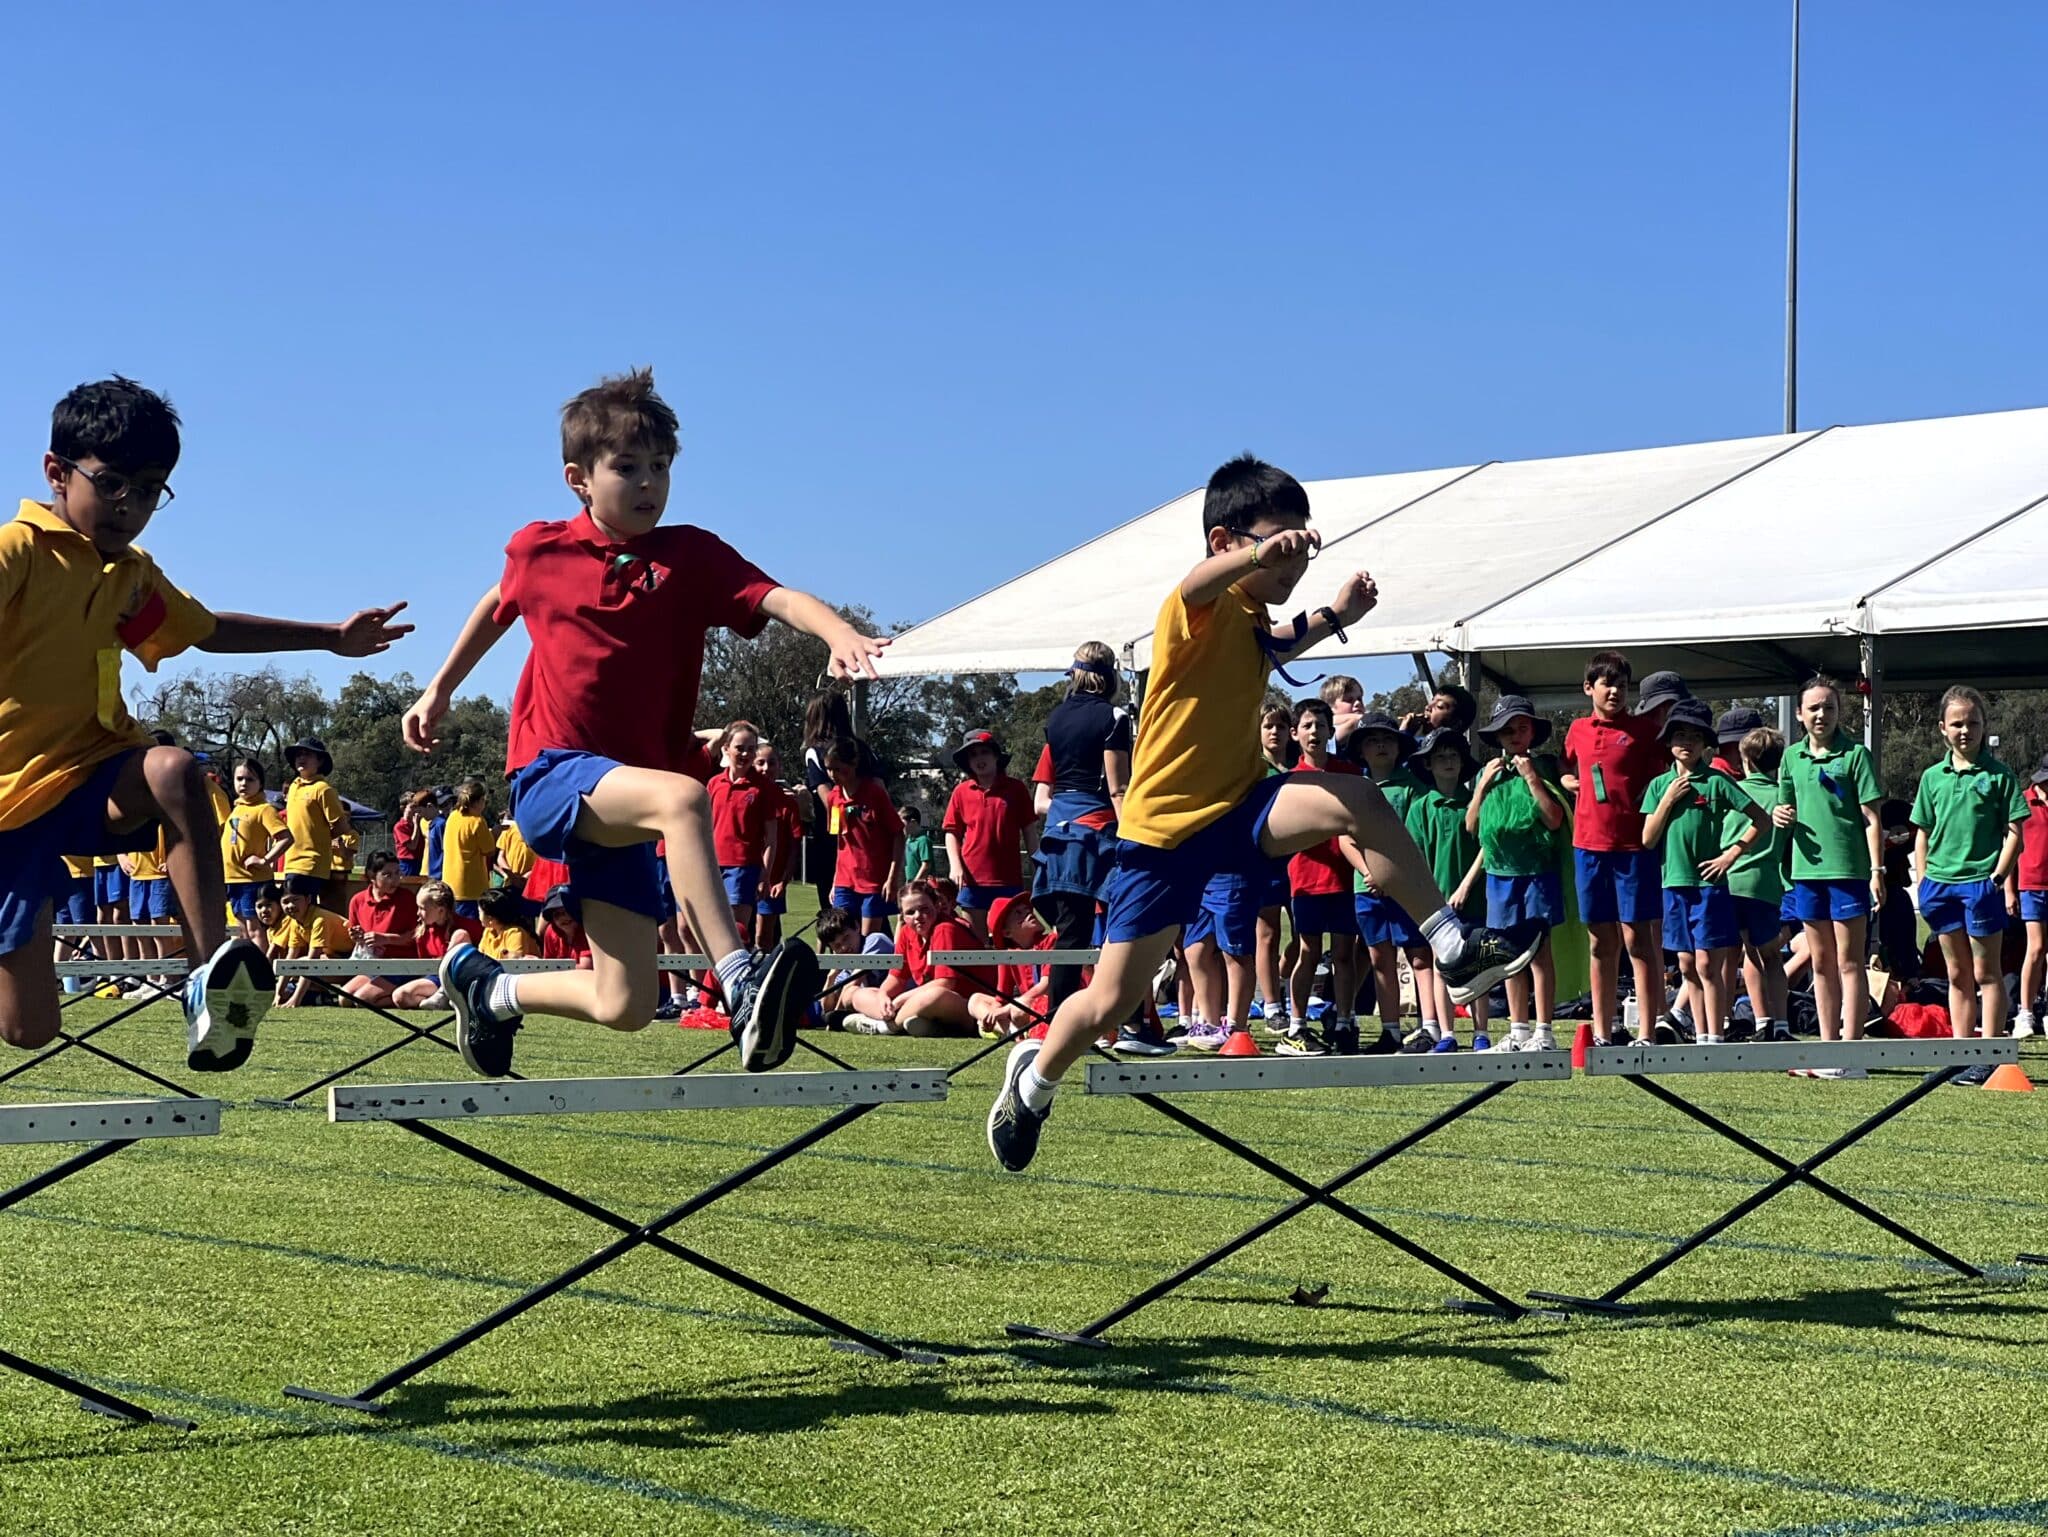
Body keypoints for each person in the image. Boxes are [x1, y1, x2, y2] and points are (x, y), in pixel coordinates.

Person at [985, 455, 1537, 1171]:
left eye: (1304, 545)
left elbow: (1278, 642)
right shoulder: (1190, 610)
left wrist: (1339, 612)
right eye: (1284, 545)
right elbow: (1193, 581)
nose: (1295, 561)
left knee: (1359, 799)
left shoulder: (1248, 614)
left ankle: (1452, 946)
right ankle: (1032, 1082)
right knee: (1108, 1004)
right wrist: (1254, 554)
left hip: (1242, 805)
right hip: (1163, 837)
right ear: (1226, 542)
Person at [404, 369, 884, 1074]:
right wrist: (438, 688)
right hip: (551, 774)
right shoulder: (541, 549)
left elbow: (777, 596)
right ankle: (742, 983)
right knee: (684, 795)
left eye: (660, 467)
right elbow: (499, 602)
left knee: (624, 1000)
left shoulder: (690, 555)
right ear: (578, 478)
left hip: (625, 800)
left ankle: (487, 987)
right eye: (626, 467)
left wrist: (838, 632)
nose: (648, 483)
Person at [0, 376, 408, 1066]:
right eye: (113, 484)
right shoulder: (18, 553)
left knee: (173, 769)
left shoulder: (130, 575)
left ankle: (208, 982)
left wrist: (329, 636)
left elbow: (209, 629)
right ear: (55, 472)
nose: (129, 506)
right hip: (9, 805)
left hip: (91, 775)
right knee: (29, 1029)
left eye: (150, 490)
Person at [1560, 655, 1684, 1046]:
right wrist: (1567, 780)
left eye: (1622, 686)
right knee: (1601, 940)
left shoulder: (1645, 731)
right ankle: (1602, 1029)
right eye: (1606, 684)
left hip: (1633, 848)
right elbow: (1566, 768)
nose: (1614, 691)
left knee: (1638, 940)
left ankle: (1647, 1031)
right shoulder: (1577, 730)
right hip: (1588, 849)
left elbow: (1671, 772)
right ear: (1588, 688)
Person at [1910, 685, 2027, 1085]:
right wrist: (1923, 880)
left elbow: (2016, 833)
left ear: (1983, 726)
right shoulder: (1932, 777)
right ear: (1943, 728)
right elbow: (1922, 832)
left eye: (1973, 723)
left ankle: (1990, 1055)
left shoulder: (1999, 775)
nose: (1965, 730)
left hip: (1980, 885)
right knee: (1956, 973)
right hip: (1940, 888)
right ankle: (1960, 1055)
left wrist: (1997, 877)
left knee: (1986, 973)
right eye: (1957, 723)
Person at [1639, 699, 1770, 1046]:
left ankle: (1714, 1035)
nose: (1686, 742)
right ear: (1668, 741)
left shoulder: (1716, 781)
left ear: (1705, 743)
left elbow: (1762, 820)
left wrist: (1731, 855)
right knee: (1685, 965)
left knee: (1708, 964)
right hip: (1673, 885)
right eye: (1679, 734)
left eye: (1695, 736)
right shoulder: (1659, 785)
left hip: (1709, 887)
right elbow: (1648, 839)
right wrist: (1668, 799)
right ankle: (1700, 1036)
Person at [1773, 674, 1884, 1076]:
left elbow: (1873, 818)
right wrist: (1778, 814)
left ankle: (1850, 1055)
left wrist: (1877, 870)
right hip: (1806, 873)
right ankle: (1827, 1049)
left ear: (1839, 712)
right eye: (1814, 708)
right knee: (1820, 963)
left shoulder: (1856, 756)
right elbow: (1784, 810)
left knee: (1850, 962)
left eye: (1829, 707)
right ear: (1800, 715)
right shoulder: (1791, 759)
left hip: (1850, 872)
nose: (1822, 714)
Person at [1029, 640, 1135, 1039]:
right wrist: (1131, 840)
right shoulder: (1114, 716)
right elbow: (1118, 786)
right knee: (1120, 929)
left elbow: (1052, 786)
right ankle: (1126, 1022)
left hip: (1058, 833)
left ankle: (1056, 1023)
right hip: (1098, 833)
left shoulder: (1055, 718)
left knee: (1070, 934)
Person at [1469, 696, 1569, 1053]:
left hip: (1538, 874)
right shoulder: (1487, 772)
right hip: (1499, 876)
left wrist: (1531, 779)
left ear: (1532, 731)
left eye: (1521, 727)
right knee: (1510, 957)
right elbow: (1472, 825)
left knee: (1540, 954)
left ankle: (1544, 1030)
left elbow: (1554, 819)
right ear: (1497, 735)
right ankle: (1518, 1029)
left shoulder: (1543, 766)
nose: (1514, 734)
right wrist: (1481, 788)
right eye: (1507, 729)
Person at [1281, 698, 1364, 1055]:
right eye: (1308, 726)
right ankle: (1297, 1025)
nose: (1315, 732)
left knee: (1344, 954)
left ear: (1332, 731)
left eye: (1321, 725)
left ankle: (1344, 1021)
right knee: (1308, 951)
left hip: (1347, 879)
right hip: (1306, 879)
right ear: (1296, 734)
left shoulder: (1350, 774)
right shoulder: (1289, 782)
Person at [1403, 728, 1490, 1050]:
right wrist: (1430, 898)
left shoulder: (1474, 803)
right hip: (1437, 904)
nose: (1448, 761)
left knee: (1479, 967)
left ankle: (1481, 1032)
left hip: (1475, 899)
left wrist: (1467, 884)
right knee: (1442, 966)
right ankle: (1447, 1032)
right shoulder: (1421, 807)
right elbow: (1415, 857)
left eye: (1453, 755)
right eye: (1440, 756)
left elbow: (1486, 846)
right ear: (1428, 764)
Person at [1347, 711, 1428, 1053]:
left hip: (1404, 886)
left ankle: (1430, 1027)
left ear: (1399, 747)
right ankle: (1390, 1031)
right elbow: (1344, 837)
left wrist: (1390, 874)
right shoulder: (1354, 788)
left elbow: (1414, 837)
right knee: (1379, 959)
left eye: (1387, 739)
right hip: (1365, 887)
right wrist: (1368, 871)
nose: (1380, 746)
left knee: (1419, 956)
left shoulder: (1412, 787)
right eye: (1372, 740)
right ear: (1361, 750)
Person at [1728, 727, 1795, 1043]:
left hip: (1730, 883)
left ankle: (1734, 1022)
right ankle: (1779, 1024)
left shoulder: (1733, 793)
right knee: (1770, 956)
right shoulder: (1783, 799)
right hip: (1766, 886)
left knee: (1732, 957)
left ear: (1745, 760)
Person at [942, 729, 1038, 939]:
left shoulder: (1016, 788)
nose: (979, 759)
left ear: (996, 756)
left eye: (984, 752)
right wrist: (955, 865)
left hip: (1009, 880)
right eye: (973, 755)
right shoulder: (961, 791)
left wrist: (1036, 863)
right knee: (977, 945)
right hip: (972, 881)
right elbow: (951, 832)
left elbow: (1029, 830)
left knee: (1013, 944)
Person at [802, 691, 884, 914]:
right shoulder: (864, 749)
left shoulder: (816, 751)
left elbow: (829, 799)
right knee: (870, 908)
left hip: (834, 840)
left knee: (836, 914)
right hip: (870, 838)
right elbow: (880, 789)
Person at [707, 720, 779, 948]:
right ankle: (706, 983)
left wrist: (765, 875)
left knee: (736, 932)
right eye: (740, 747)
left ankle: (735, 982)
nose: (746, 753)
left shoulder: (762, 788)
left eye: (751, 748)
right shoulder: (713, 784)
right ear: (726, 748)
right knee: (710, 929)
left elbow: (771, 838)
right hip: (712, 867)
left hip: (743, 867)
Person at [823, 736, 904, 938]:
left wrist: (892, 878)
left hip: (874, 880)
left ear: (854, 764)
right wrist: (835, 881)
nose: (833, 775)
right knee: (840, 935)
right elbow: (840, 841)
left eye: (839, 769)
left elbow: (898, 834)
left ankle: (873, 970)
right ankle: (842, 971)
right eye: (829, 769)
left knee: (868, 942)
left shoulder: (874, 793)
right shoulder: (834, 797)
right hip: (845, 880)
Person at [1252, 702, 1295, 1031]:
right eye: (1268, 726)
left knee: (1304, 938)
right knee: (1267, 933)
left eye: (1280, 726)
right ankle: (1271, 1006)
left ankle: (1283, 986)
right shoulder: (1253, 769)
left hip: (1301, 862)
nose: (1275, 732)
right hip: (1265, 862)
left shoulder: (1298, 768)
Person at [222, 758, 291, 946]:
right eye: (239, 779)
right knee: (241, 930)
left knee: (255, 930)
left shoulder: (264, 809)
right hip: (233, 879)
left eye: (250, 779)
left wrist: (264, 860)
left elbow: (286, 838)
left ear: (260, 783)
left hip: (252, 881)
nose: (244, 783)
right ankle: (245, 970)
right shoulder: (236, 809)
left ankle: (258, 972)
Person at [340, 852, 421, 1008]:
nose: (395, 880)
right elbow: (355, 934)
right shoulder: (358, 900)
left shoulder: (407, 898)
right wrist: (356, 935)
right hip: (372, 963)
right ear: (371, 875)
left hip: (399, 964)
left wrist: (386, 938)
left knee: (362, 999)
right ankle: (398, 995)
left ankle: (408, 996)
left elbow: (416, 935)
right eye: (387, 875)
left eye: (398, 873)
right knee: (345, 998)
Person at [391, 882, 483, 1008]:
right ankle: (440, 1000)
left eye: (422, 908)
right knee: (400, 996)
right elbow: (423, 965)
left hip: (463, 979)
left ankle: (445, 994)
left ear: (440, 910)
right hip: (435, 978)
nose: (418, 913)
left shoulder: (467, 926)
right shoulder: (422, 932)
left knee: (460, 935)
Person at [282, 738, 350, 904]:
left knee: (305, 914)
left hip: (311, 864)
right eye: (298, 754)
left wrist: (320, 838)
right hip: (290, 862)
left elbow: (342, 826)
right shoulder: (293, 787)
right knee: (294, 915)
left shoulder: (324, 789)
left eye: (308, 754)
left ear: (320, 760)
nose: (301, 758)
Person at [753, 740, 803, 950]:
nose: (766, 769)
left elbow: (794, 845)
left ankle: (763, 980)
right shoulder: (745, 797)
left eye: (771, 763)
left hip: (772, 882)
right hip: (742, 877)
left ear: (779, 765)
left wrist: (784, 881)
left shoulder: (787, 802)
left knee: (764, 937)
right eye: (760, 763)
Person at [273, 886, 354, 1009]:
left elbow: (312, 962)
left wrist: (296, 999)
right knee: (295, 966)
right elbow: (290, 958)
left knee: (302, 965)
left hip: (353, 961)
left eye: (296, 900)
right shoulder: (295, 921)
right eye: (285, 902)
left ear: (308, 899)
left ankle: (324, 994)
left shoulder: (320, 919)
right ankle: (320, 993)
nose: (290, 905)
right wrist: (278, 995)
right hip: (334, 957)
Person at [2014, 756, 2048, 1040]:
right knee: (2035, 949)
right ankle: (2024, 1012)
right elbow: (2011, 849)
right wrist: (2009, 891)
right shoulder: (2023, 803)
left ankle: (2046, 1013)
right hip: (2031, 886)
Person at [441, 779, 497, 919]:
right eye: (484, 800)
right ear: (478, 801)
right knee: (472, 929)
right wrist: (494, 834)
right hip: (471, 887)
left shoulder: (453, 817)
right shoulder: (477, 821)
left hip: (450, 882)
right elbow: (489, 851)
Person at [478, 887, 539, 961]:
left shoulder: (515, 933)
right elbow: (480, 958)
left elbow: (515, 965)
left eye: (479, 912)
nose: (478, 915)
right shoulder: (488, 931)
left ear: (491, 918)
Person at [1399, 682, 1477, 740]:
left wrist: (1402, 737)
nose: (1427, 707)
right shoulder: (1416, 745)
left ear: (1456, 723)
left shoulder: (1456, 757)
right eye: (1431, 701)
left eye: (1439, 706)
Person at [391, 795, 423, 876]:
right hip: (407, 863)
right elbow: (412, 845)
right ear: (403, 808)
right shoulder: (400, 826)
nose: (415, 810)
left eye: (416, 807)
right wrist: (416, 825)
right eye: (412, 807)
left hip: (420, 860)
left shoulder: (420, 824)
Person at [901, 807, 934, 884]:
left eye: (902, 824)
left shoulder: (923, 840)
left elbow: (926, 866)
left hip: (923, 885)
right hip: (910, 883)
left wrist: (915, 883)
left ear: (913, 822)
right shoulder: (909, 840)